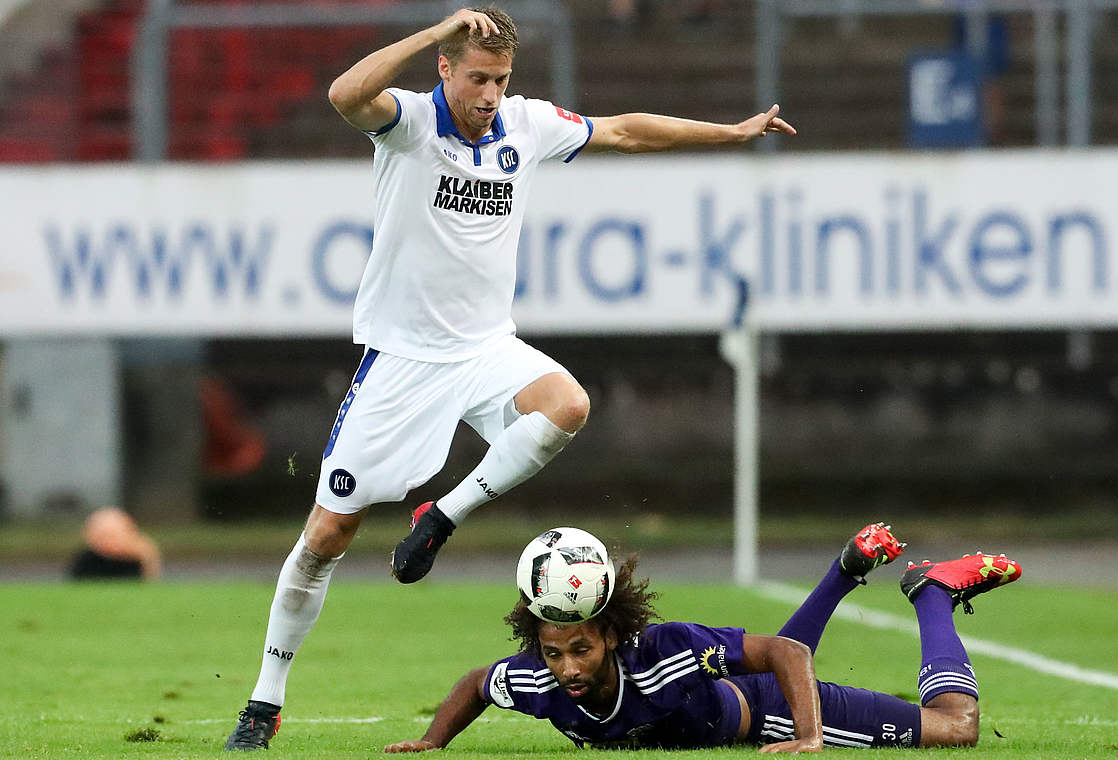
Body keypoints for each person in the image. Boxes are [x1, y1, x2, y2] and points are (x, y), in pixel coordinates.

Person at [223, 6, 795, 750]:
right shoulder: (409, 124)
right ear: (445, 69)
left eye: (500, 80)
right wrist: (434, 29)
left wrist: (728, 132)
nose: (490, 94)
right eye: (477, 78)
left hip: (487, 350)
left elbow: (621, 129)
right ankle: (264, 703)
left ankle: (442, 517)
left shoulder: (525, 125)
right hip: (401, 360)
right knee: (327, 536)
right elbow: (343, 94)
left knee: (568, 404)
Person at [382, 523, 1022, 753]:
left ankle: (932, 592)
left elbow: (786, 654)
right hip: (742, 695)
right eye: (555, 651)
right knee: (767, 660)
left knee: (957, 727)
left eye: (582, 648)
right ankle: (845, 573)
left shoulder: (664, 652)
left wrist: (807, 736)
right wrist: (431, 743)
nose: (569, 666)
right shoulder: (538, 677)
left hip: (762, 715)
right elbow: (477, 684)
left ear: (611, 635)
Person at [67, 507, 162, 581]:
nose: (108, 541)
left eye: (112, 535)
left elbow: (149, 581)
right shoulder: (85, 561)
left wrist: (147, 556)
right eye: (103, 535)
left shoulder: (137, 558)